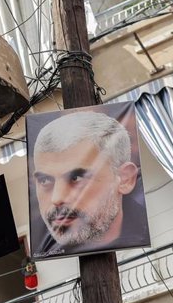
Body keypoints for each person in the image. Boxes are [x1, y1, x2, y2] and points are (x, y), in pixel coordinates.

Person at [30, 110, 149, 258]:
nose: (57, 198)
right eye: (45, 180)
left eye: (76, 178)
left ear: (125, 179)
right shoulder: (43, 245)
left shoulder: (142, 231)